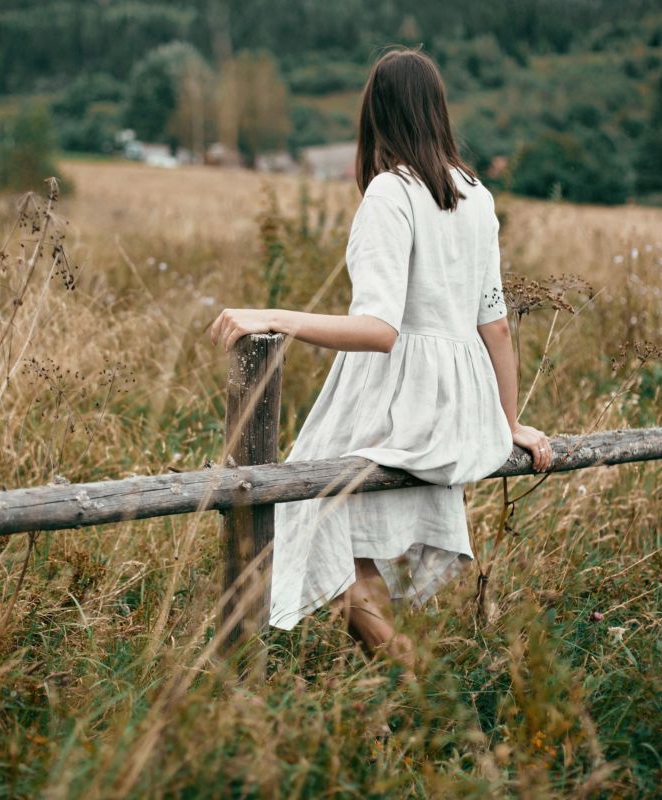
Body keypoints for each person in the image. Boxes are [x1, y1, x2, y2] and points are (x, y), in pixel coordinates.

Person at [208, 48, 553, 681]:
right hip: (460, 401)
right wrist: (509, 422)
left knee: (301, 509)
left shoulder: (391, 195)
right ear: (437, 112)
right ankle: (398, 701)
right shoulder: (477, 196)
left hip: (403, 398)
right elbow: (495, 324)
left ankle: (424, 688)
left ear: (377, 114)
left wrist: (277, 317)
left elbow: (379, 330)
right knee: (349, 545)